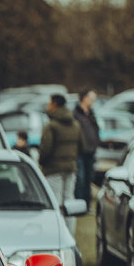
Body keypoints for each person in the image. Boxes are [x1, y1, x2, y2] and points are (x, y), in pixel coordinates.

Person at [39, 94, 81, 233]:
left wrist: (42, 163)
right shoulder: (75, 124)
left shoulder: (51, 126)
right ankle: (70, 232)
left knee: (55, 202)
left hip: (54, 169)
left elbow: (45, 150)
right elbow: (81, 146)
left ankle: (57, 232)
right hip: (71, 168)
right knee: (69, 202)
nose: (47, 106)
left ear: (55, 104)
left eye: (49, 103)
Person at [73, 90, 101, 206]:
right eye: (91, 98)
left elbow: (96, 130)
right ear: (84, 98)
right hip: (80, 152)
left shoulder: (91, 114)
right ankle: (79, 204)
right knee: (80, 179)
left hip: (91, 151)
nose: (93, 101)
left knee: (88, 179)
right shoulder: (75, 114)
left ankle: (87, 204)